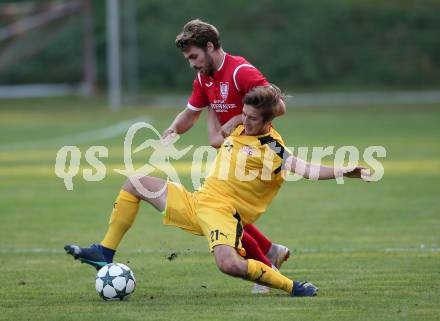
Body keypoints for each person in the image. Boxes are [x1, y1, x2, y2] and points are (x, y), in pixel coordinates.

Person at [65, 85, 369, 297]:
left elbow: (304, 168)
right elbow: (216, 136)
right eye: (244, 115)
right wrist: (209, 101)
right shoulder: (239, 128)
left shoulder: (271, 146)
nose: (245, 121)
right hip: (198, 202)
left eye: (252, 118)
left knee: (229, 265)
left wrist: (342, 170)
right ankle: (105, 252)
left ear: (267, 120)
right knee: (135, 182)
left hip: (224, 214)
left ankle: (291, 286)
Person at [162, 19, 289, 293]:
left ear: (210, 47)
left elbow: (279, 107)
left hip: (256, 153)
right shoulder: (203, 77)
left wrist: (236, 119)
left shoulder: (240, 71)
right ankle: (270, 252)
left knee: (219, 210)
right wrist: (173, 130)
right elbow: (190, 114)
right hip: (233, 153)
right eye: (188, 58)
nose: (192, 63)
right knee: (222, 211)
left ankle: (267, 265)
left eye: (194, 56)